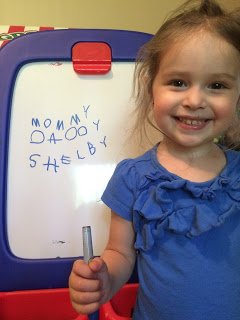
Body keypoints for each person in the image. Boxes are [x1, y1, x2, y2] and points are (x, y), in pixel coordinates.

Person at [69, 0, 240, 318]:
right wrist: (103, 278)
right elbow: (119, 253)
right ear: (151, 88)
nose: (194, 100)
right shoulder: (132, 178)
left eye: (217, 85)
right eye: (178, 82)